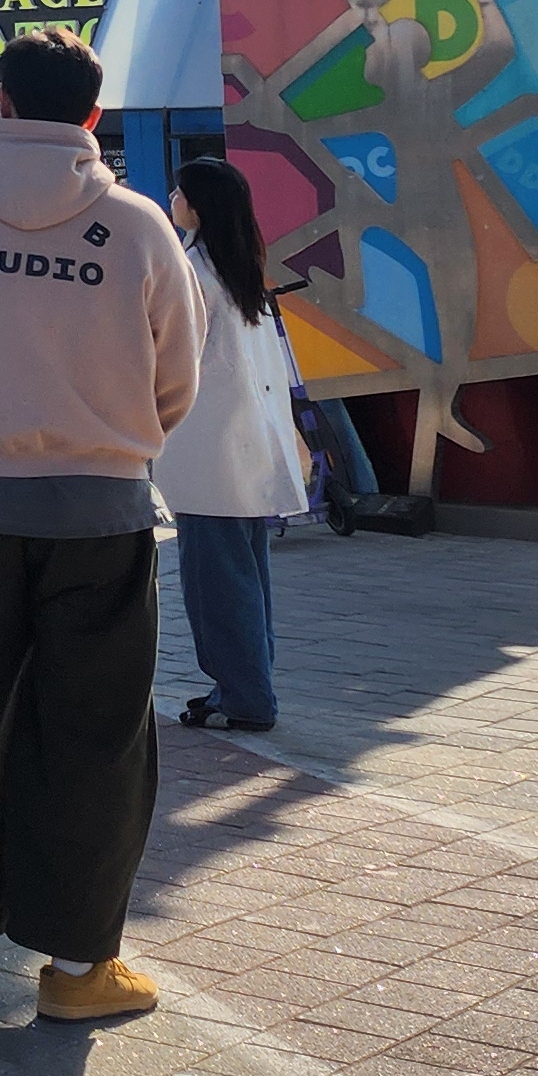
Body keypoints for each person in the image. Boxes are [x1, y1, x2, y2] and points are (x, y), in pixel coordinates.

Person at [0, 26, 200, 1020]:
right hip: (102, 514)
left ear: (2, 103)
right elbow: (176, 380)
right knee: (95, 733)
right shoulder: (140, 226)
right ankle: (77, 969)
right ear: (93, 118)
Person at [162, 153, 312, 732]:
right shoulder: (241, 273)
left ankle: (246, 698)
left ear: (195, 207)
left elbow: (174, 362)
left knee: (217, 588)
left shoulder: (192, 274)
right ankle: (245, 688)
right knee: (246, 583)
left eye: (178, 194)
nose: (172, 202)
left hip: (208, 455)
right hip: (246, 451)